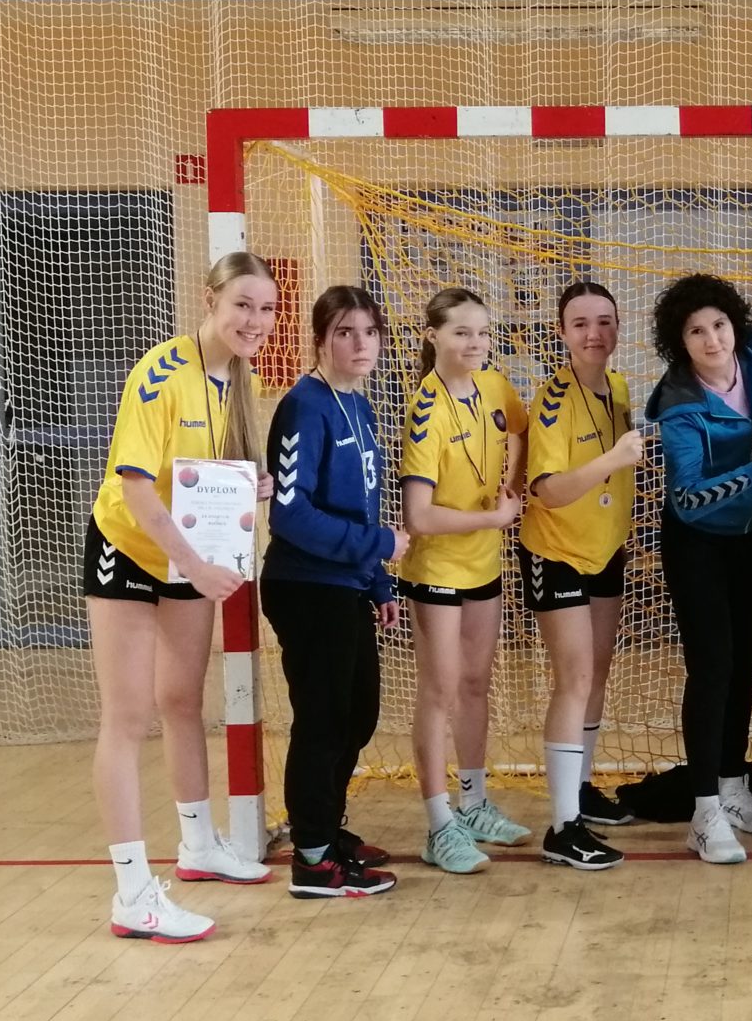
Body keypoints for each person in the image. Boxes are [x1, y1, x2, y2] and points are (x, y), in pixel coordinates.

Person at [83, 251, 281, 943]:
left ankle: (199, 845)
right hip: (130, 548)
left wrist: (248, 487)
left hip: (185, 556)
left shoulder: (237, 379)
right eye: (243, 305)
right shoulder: (159, 372)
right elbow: (138, 487)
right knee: (127, 716)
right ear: (211, 300)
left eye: (266, 309)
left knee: (181, 701)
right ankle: (133, 894)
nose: (255, 320)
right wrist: (194, 564)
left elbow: (198, 477)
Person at [261, 286, 401, 902]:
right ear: (321, 340)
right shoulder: (304, 407)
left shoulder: (359, 406)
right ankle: (313, 857)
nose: (360, 344)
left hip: (348, 584)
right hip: (305, 586)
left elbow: (363, 501)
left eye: (369, 332)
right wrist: (379, 545)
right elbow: (290, 515)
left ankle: (326, 827)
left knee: (358, 716)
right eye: (345, 332)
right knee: (322, 721)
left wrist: (378, 580)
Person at [646, 274, 752, 864]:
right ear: (680, 342)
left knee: (746, 661)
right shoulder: (679, 405)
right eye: (696, 331)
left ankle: (732, 784)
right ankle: (704, 812)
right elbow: (688, 498)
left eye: (719, 325)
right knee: (712, 668)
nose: (713, 340)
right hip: (697, 542)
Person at [399, 285, 529, 875]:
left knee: (476, 683)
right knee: (441, 690)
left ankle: (474, 804)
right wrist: (493, 518)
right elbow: (419, 517)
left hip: (484, 564)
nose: (475, 343)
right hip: (438, 570)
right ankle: (439, 824)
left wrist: (513, 485)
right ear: (433, 337)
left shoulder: (495, 385)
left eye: (483, 332)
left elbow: (521, 431)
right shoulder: (425, 410)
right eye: (461, 333)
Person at [522, 280, 641, 872]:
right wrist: (612, 460)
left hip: (606, 551)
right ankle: (563, 827)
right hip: (558, 552)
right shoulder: (552, 399)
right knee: (573, 678)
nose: (595, 334)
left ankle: (583, 787)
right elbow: (547, 490)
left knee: (596, 673)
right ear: (562, 333)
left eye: (605, 322)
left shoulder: (618, 388)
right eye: (581, 324)